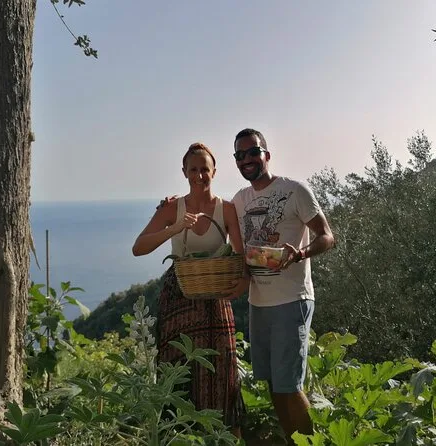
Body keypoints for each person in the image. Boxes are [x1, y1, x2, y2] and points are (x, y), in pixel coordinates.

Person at [131, 142, 248, 436]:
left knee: (222, 368)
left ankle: (225, 437)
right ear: (184, 172)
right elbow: (139, 247)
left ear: (214, 171)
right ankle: (180, 435)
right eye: (193, 169)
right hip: (179, 295)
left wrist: (243, 281)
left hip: (215, 296)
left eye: (204, 169)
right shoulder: (172, 208)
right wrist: (175, 227)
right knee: (178, 368)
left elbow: (240, 254)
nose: (199, 175)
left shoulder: (227, 210)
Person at [231, 128, 335, 444]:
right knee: (274, 385)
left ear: (267, 154)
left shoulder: (294, 190)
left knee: (289, 386)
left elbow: (327, 236)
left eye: (253, 151)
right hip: (258, 303)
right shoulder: (239, 200)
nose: (247, 159)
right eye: (240, 155)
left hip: (292, 300)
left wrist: (300, 253)